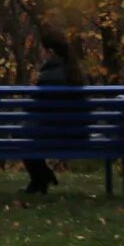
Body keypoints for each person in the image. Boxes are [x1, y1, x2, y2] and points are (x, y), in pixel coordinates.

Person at [22, 27, 87, 195]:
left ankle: (41, 177)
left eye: (42, 50)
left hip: (55, 135)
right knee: (28, 134)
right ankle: (40, 180)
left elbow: (37, 109)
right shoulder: (76, 72)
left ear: (49, 51)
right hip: (78, 135)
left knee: (23, 137)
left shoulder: (48, 76)